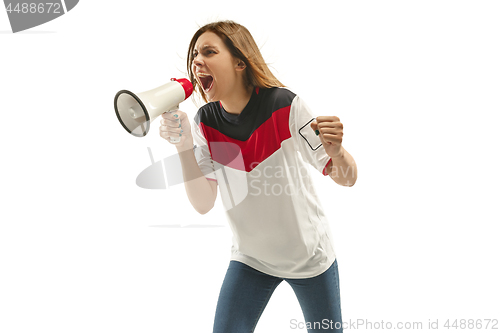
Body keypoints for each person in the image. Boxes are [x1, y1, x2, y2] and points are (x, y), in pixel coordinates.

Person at [159, 20, 357, 333]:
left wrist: (337, 152)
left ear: (240, 62)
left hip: (309, 258)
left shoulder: (285, 105)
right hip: (251, 259)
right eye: (195, 54)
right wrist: (183, 146)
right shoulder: (205, 122)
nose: (197, 62)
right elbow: (202, 202)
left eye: (209, 52)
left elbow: (347, 178)